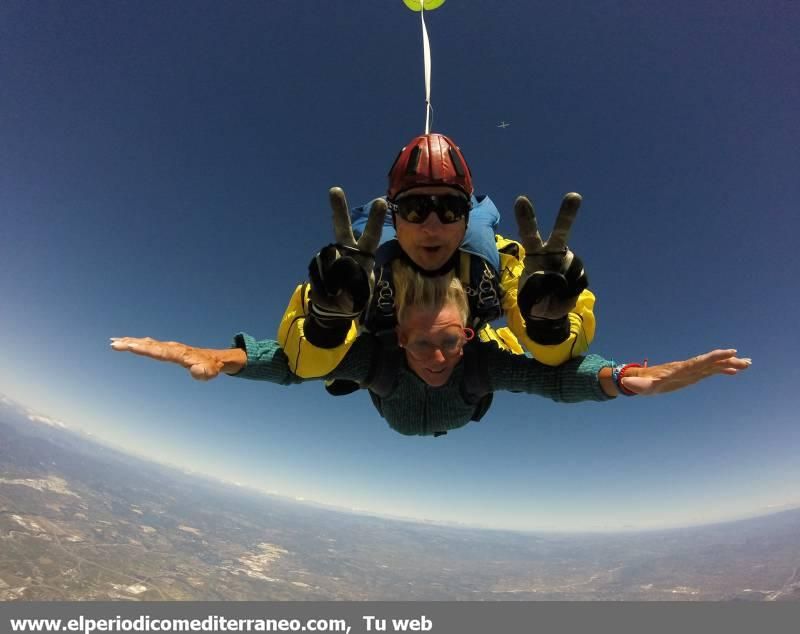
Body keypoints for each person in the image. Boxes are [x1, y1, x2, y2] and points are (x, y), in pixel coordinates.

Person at [111, 262, 751, 437]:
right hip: (391, 404)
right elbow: (287, 366)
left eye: (449, 339)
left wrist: (647, 377)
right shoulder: (380, 356)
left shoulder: (484, 359)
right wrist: (206, 356)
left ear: (468, 333)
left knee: (521, 366)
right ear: (400, 334)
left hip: (449, 411)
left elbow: (565, 380)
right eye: (420, 340)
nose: (436, 354)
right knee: (336, 362)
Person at [286, 132, 595, 386]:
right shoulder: (353, 268)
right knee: (342, 366)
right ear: (395, 219)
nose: (431, 228)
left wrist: (549, 326)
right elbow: (305, 364)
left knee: (487, 355)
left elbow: (557, 357)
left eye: (450, 209)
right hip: (390, 355)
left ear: (466, 219)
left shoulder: (508, 261)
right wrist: (327, 324)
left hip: (464, 353)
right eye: (414, 208)